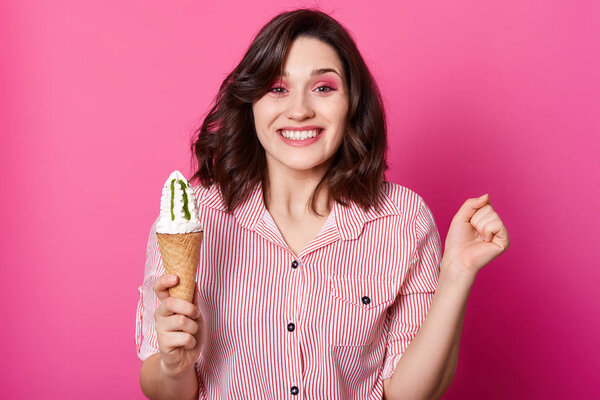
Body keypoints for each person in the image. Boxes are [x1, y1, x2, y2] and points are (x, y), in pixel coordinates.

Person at [135, 8, 509, 400]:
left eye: (323, 88)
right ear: (251, 103)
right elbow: (164, 390)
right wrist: (173, 365)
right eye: (277, 88)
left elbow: (408, 395)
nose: (299, 110)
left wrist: (456, 272)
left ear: (352, 104)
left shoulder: (402, 219)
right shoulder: (194, 219)